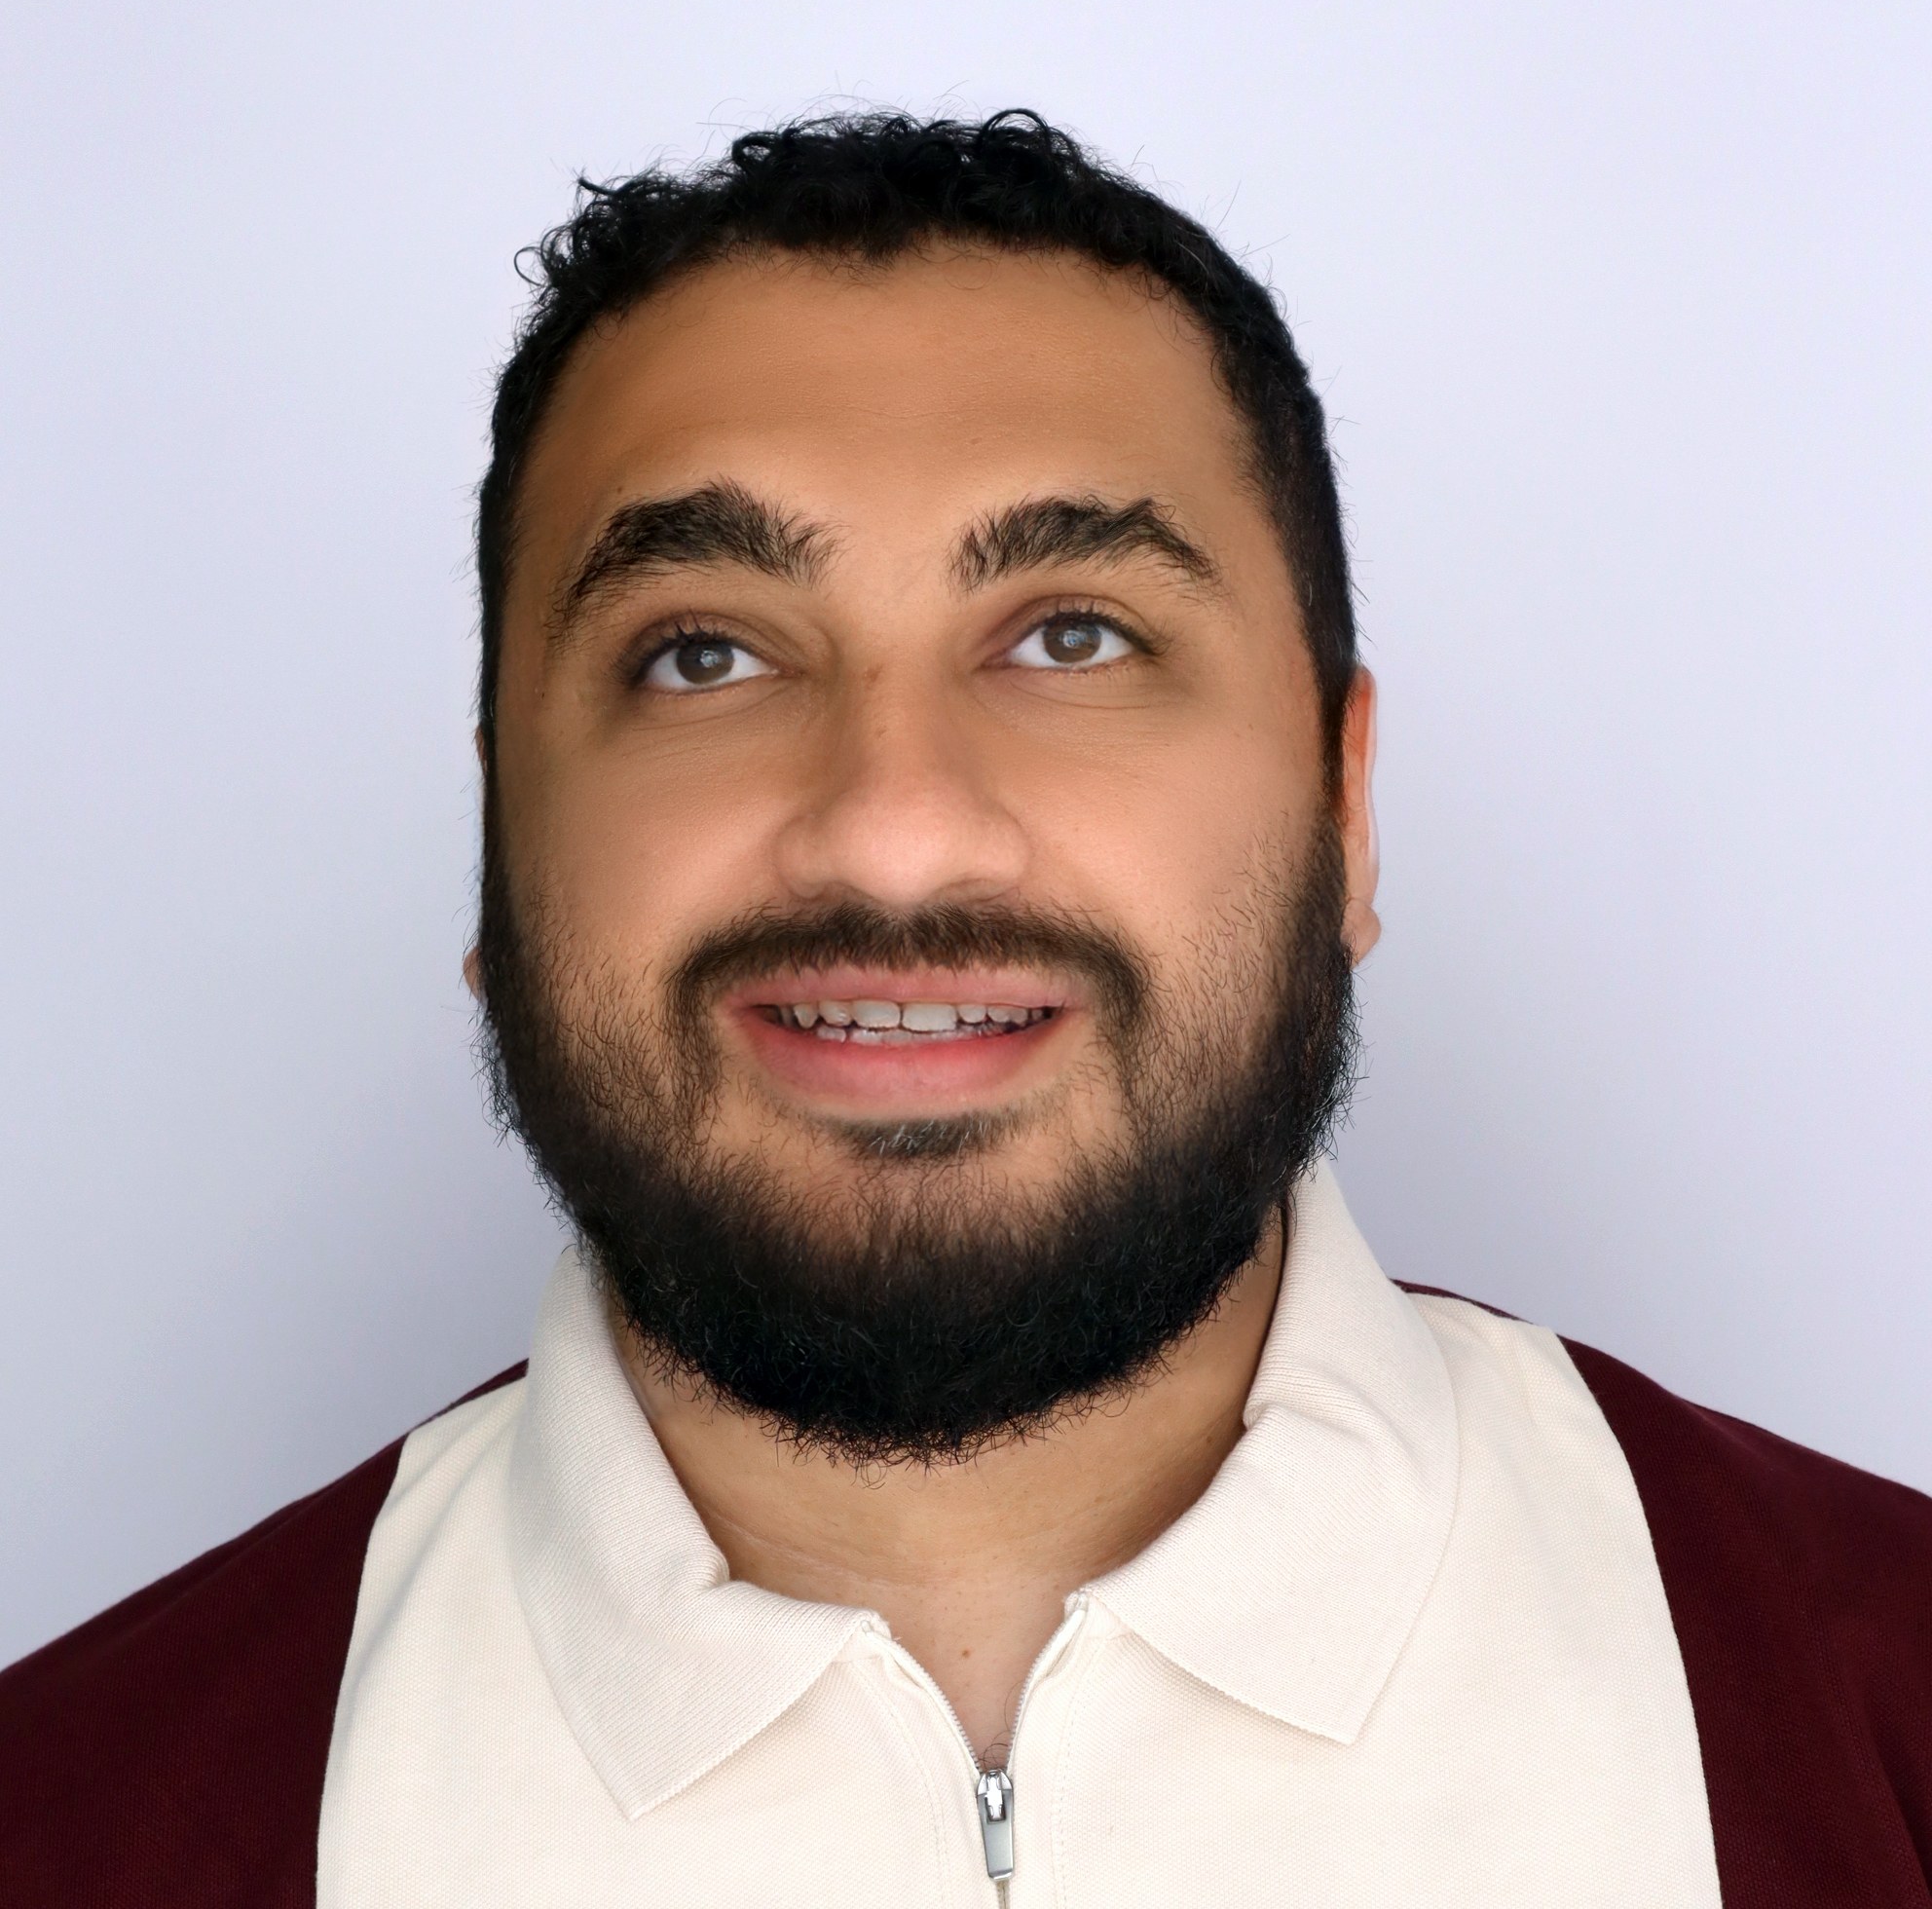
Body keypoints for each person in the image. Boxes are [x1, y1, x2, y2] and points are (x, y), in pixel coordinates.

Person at [2, 109, 1926, 1908]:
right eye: (701, 653)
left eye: (1073, 633)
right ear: (501, 839)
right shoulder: (64, 1814)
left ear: (1343, 807)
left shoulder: (1886, 1706)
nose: (895, 827)